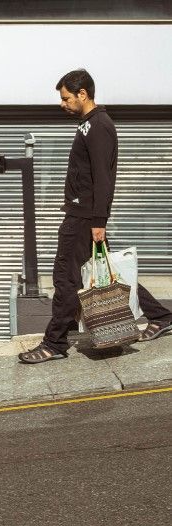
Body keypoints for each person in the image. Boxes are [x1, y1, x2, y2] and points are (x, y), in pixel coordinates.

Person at [19, 69, 172, 363]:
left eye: (65, 98)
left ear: (82, 94)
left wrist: (99, 220)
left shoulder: (99, 125)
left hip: (85, 217)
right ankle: (161, 315)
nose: (62, 104)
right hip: (84, 213)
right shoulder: (88, 124)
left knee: (66, 279)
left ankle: (54, 343)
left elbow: (103, 177)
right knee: (106, 273)